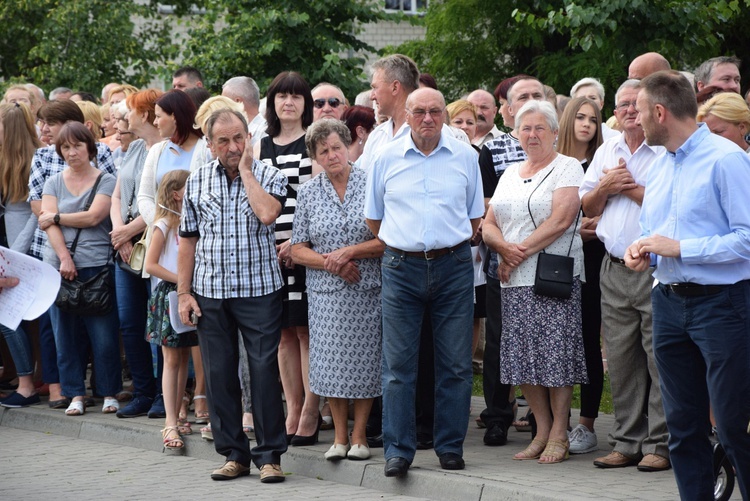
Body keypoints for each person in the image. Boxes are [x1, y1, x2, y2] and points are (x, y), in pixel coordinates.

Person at [625, 70, 750, 500]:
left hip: (723, 304)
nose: (634, 122)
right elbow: (654, 234)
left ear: (659, 112)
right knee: (683, 426)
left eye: (639, 112)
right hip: (668, 303)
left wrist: (679, 247)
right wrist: (643, 252)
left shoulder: (726, 159)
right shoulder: (658, 166)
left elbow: (747, 239)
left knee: (734, 425)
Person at [365, 87, 484, 476]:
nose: (428, 119)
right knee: (398, 365)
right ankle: (398, 450)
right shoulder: (385, 157)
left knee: (455, 364)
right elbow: (374, 219)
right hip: (401, 267)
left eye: (435, 111)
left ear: (445, 116)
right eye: (419, 111)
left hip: (453, 266)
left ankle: (449, 446)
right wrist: (409, 243)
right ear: (408, 113)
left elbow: (474, 218)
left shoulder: (466, 156)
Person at [177, 109, 288, 482]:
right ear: (208, 145)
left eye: (239, 138)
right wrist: (183, 293)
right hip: (210, 293)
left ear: (249, 138)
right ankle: (234, 455)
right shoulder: (196, 181)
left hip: (259, 291)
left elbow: (269, 213)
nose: (232, 146)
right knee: (221, 374)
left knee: (262, 372)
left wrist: (245, 171)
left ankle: (270, 456)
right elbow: (187, 241)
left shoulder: (268, 174)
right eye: (223, 140)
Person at [483, 100, 587, 464]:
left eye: (540, 128)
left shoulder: (567, 166)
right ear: (516, 134)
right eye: (525, 128)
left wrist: (516, 252)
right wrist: (501, 249)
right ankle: (541, 430)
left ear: (555, 133)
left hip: (551, 276)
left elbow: (561, 219)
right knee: (523, 358)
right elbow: (488, 223)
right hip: (513, 280)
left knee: (556, 356)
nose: (532, 134)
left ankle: (560, 431)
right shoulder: (510, 173)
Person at [578, 79, 671, 471]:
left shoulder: (665, 151)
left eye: (636, 104)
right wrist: (605, 185)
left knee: (658, 360)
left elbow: (672, 205)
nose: (629, 110)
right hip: (612, 268)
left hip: (655, 269)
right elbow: (586, 205)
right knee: (620, 359)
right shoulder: (606, 149)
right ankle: (626, 440)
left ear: (652, 108)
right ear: (614, 113)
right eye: (622, 105)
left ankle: (660, 445)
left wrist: (628, 188)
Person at [291, 119, 384, 461]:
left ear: (348, 147)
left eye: (336, 148)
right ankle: (339, 438)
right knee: (331, 364)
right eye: (323, 151)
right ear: (315, 157)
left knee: (365, 362)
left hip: (367, 288)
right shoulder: (309, 193)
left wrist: (351, 253)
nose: (332, 156)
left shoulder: (371, 183)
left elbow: (388, 239)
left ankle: (360, 436)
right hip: (326, 293)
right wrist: (332, 262)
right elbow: (297, 248)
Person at [28, 99, 116, 410]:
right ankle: (75, 393)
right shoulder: (53, 180)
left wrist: (57, 217)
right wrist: (64, 257)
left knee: (103, 337)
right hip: (58, 266)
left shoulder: (105, 179)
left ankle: (108, 393)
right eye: (65, 148)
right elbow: (45, 222)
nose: (71, 152)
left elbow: (94, 217)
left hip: (96, 264)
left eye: (77, 145)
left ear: (90, 147)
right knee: (63, 336)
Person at [477, 76, 547, 443]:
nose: (530, 100)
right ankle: (498, 415)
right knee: (500, 341)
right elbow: (487, 207)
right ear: (506, 110)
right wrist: (506, 251)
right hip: (502, 265)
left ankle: (545, 421)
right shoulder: (493, 152)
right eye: (522, 97)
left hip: (549, 265)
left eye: (537, 95)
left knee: (545, 339)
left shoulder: (559, 153)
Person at [254, 71, 319, 446]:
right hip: (268, 252)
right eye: (281, 96)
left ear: (305, 103)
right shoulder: (260, 146)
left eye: (296, 96)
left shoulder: (312, 142)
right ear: (272, 102)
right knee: (281, 336)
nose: (288, 102)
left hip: (303, 250)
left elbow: (316, 197)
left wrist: (298, 243)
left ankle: (311, 410)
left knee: (305, 332)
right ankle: (292, 409)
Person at [556, 96, 606, 454]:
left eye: (594, 119)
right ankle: (552, 423)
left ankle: (586, 424)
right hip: (555, 261)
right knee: (557, 343)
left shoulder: (600, 163)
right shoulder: (555, 164)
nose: (587, 124)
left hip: (594, 258)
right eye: (581, 117)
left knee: (589, 340)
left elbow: (604, 215)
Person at [111, 89, 164, 419]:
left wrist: (130, 231)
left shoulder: (161, 151)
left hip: (152, 244)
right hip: (125, 249)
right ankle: (142, 392)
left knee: (156, 325)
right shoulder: (131, 149)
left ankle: (162, 394)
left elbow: (161, 202)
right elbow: (117, 195)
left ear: (144, 115)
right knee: (130, 324)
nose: (122, 118)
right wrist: (120, 234)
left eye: (127, 112)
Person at [144, 169, 195, 451]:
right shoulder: (163, 224)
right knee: (171, 360)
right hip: (170, 294)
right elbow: (150, 265)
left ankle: (178, 413)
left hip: (187, 292)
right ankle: (170, 421)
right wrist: (183, 280)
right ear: (177, 193)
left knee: (184, 358)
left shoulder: (187, 222)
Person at [0, 103, 44, 408]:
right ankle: (27, 378)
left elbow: (34, 213)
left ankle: (28, 383)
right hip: (10, 247)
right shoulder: (8, 159)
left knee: (12, 318)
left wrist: (17, 252)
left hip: (19, 250)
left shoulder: (34, 160)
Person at [137, 89, 203, 226]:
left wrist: (185, 228)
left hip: (196, 238)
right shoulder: (157, 151)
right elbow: (145, 196)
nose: (154, 122)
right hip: (161, 239)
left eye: (158, 116)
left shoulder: (205, 150)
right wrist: (161, 225)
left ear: (174, 116)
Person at [359, 54, 420, 170]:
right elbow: (365, 184)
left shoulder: (433, 133)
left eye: (375, 87)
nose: (372, 96)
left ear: (395, 87)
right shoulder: (376, 136)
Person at [222, 76, 267, 146]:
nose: (222, 108)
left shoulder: (264, 133)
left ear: (237, 102)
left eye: (224, 102)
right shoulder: (264, 130)